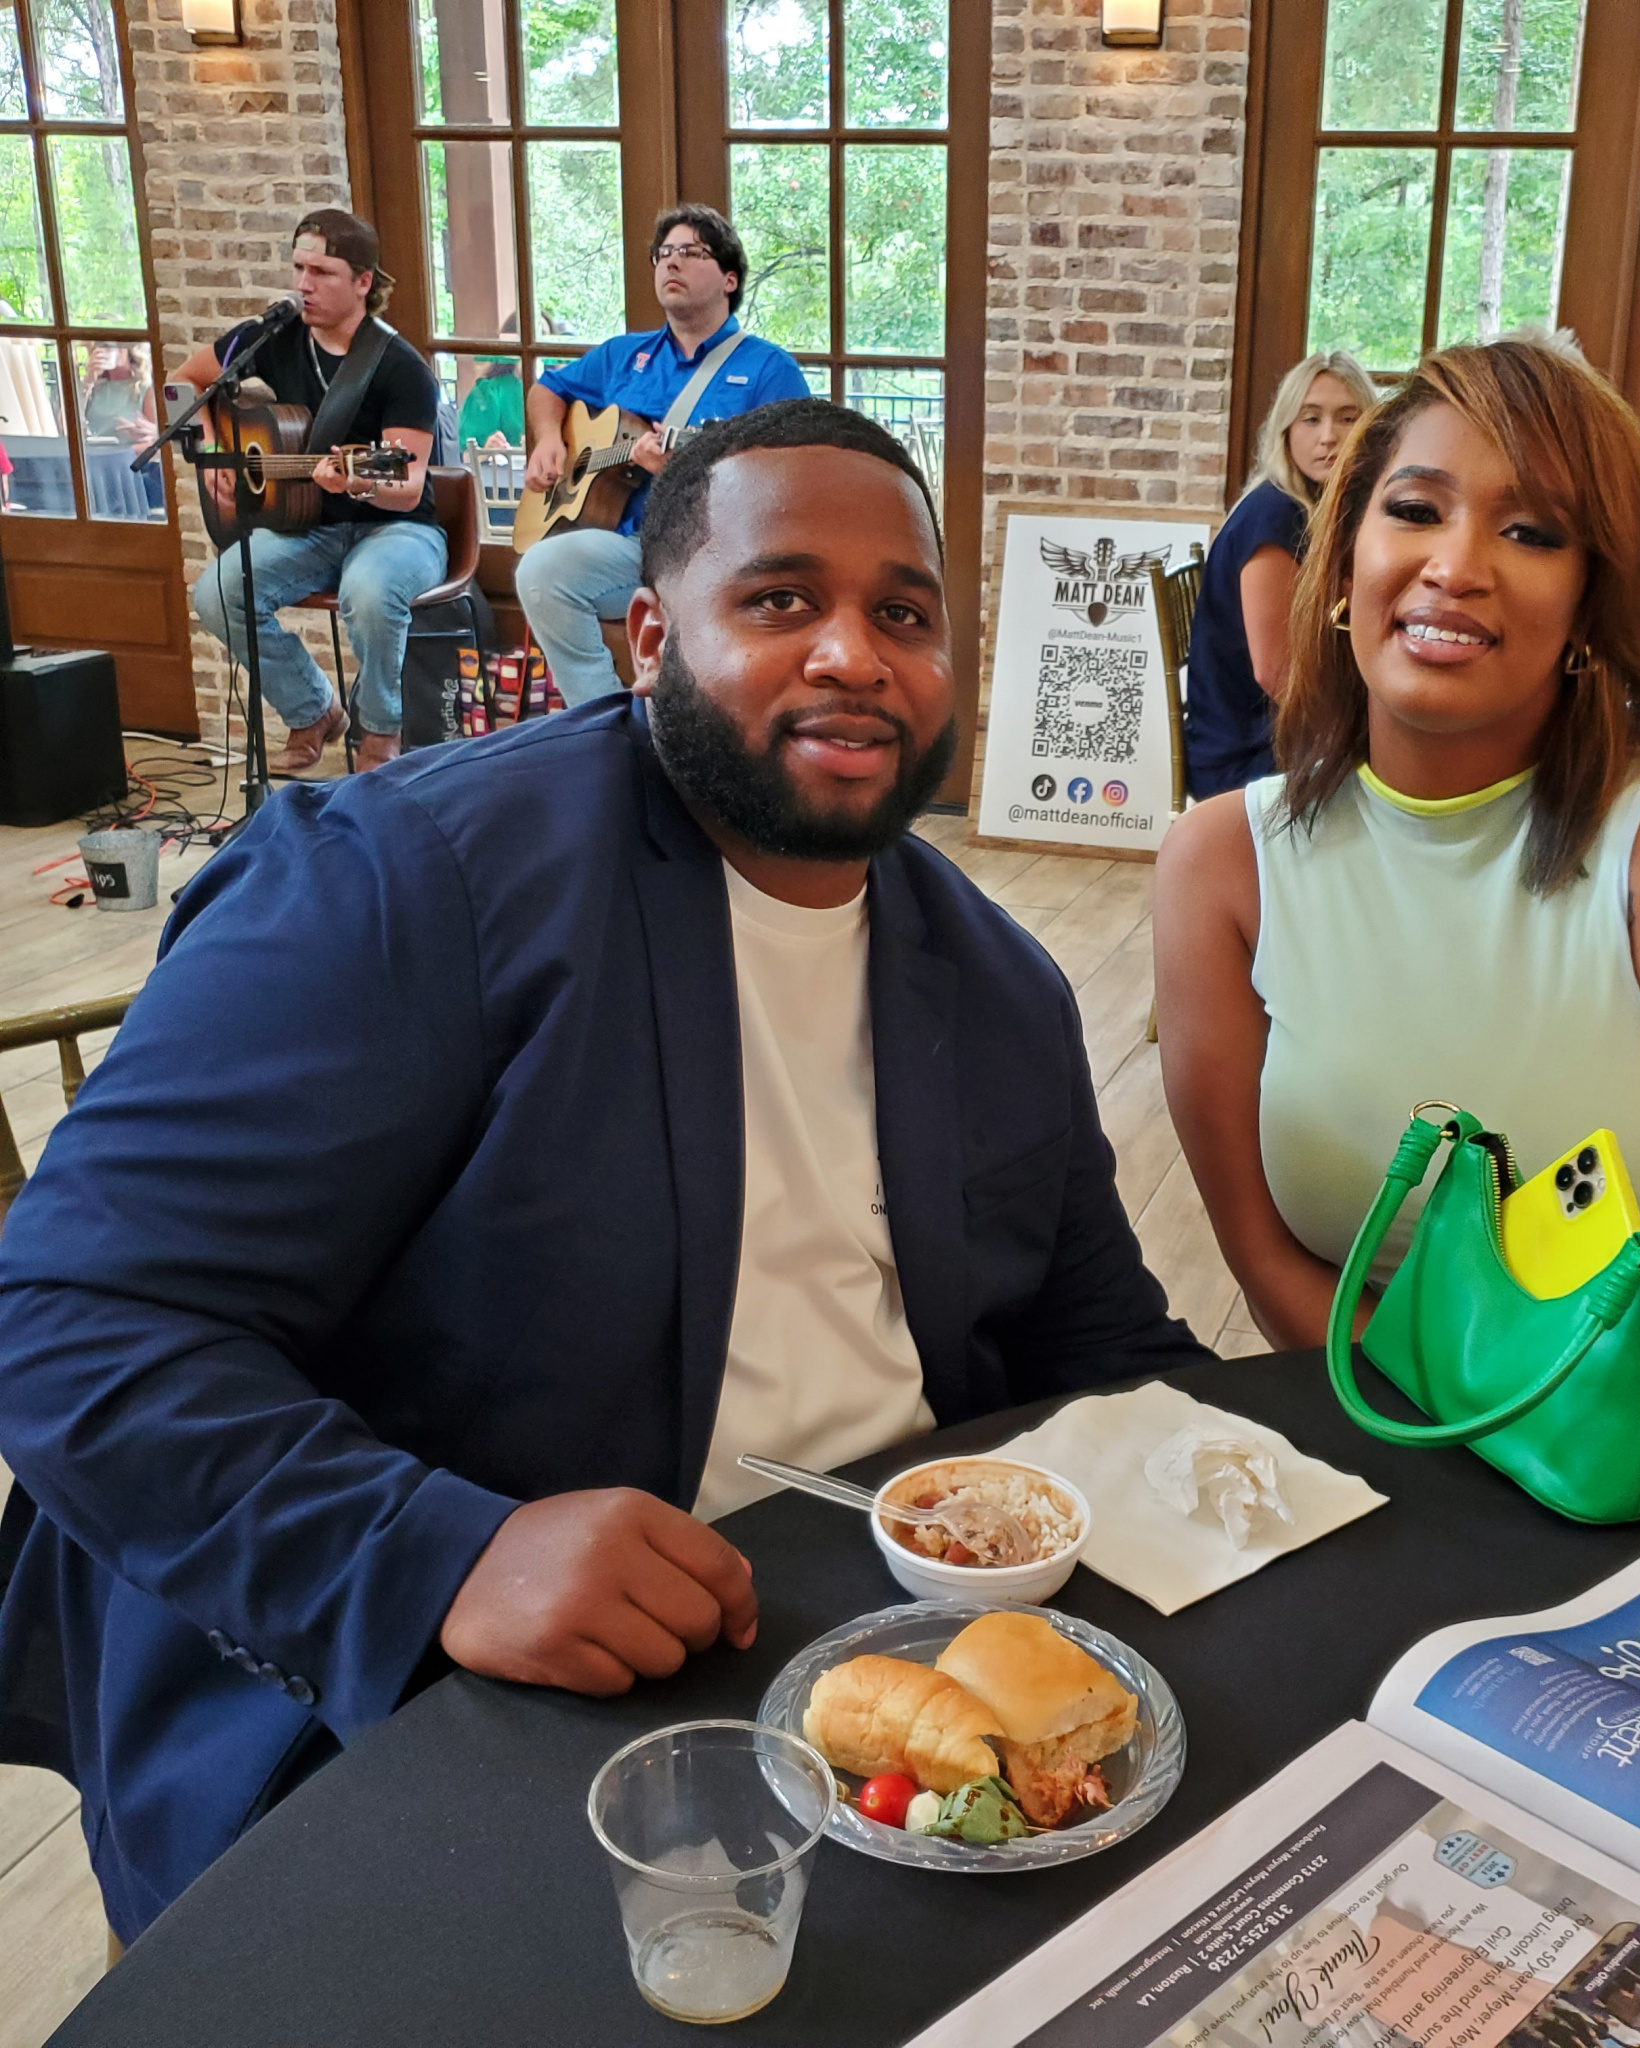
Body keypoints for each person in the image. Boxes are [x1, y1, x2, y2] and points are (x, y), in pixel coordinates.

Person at [0, 399, 1207, 1942]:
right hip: (424, 1698)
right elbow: (76, 1320)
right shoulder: (400, 884)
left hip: (880, 1666)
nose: (853, 652)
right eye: (780, 600)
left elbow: (1102, 1348)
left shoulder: (998, 985)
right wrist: (437, 1553)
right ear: (647, 635)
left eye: (903, 613)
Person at [1152, 336, 1640, 1358]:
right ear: (1343, 555)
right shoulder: (1220, 866)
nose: (1453, 565)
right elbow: (1270, 1262)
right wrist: (1455, 1459)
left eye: (1528, 532)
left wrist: (1595, 1466)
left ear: (1588, 602)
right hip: (1403, 1429)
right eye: (1412, 509)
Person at [171, 209, 447, 774]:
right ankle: (313, 708)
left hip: (398, 528)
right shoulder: (269, 338)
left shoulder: (401, 368)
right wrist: (211, 449)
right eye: (298, 267)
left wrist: (361, 479)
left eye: (321, 272)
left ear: (363, 282)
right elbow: (179, 385)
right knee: (217, 593)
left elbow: (408, 483)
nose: (303, 284)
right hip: (311, 524)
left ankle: (380, 729)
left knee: (369, 591)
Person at [515, 204, 812, 704]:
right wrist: (549, 439)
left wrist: (689, 472)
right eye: (664, 253)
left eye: (691, 253)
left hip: (715, 551)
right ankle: (603, 719)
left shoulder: (768, 370)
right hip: (630, 546)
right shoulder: (622, 355)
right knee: (541, 570)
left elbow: (792, 479)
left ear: (729, 280)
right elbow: (549, 388)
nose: (671, 263)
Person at [1183, 352, 1374, 798]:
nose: (1329, 437)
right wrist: (1366, 738)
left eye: (1348, 417)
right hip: (1249, 752)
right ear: (1285, 430)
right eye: (1310, 419)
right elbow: (1279, 674)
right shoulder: (1275, 515)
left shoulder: (1319, 509)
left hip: (1282, 736)